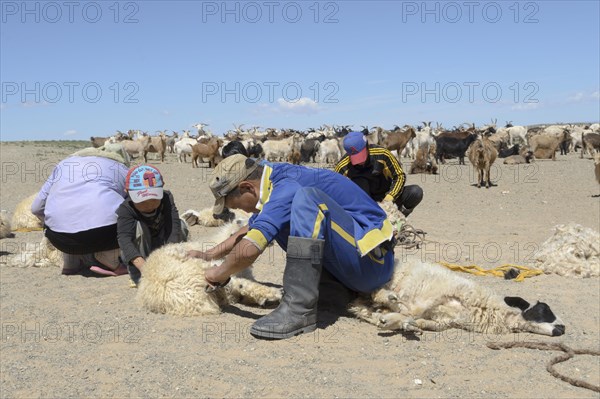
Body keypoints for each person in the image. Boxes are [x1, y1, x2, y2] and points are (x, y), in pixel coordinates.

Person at [187, 154, 396, 340]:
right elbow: (251, 228)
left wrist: (218, 274)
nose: (242, 210)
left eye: (237, 205)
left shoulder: (288, 186)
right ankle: (334, 291)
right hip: (355, 263)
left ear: (246, 188)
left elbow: (251, 248)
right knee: (282, 218)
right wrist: (210, 254)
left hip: (373, 264)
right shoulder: (274, 181)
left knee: (307, 200)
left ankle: (299, 310)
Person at [31, 146, 130, 276]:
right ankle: (110, 258)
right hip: (105, 236)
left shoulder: (63, 165)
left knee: (65, 219)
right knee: (130, 214)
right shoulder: (121, 168)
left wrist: (52, 224)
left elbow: (36, 208)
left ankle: (70, 261)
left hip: (60, 240)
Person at [117, 165, 188, 287]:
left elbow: (173, 224)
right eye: (142, 201)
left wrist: (169, 253)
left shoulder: (166, 198)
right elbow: (124, 240)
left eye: (154, 199)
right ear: (128, 193)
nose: (149, 205)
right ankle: (137, 274)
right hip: (140, 250)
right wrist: (144, 268)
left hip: (161, 243)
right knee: (138, 228)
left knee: (181, 225)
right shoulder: (126, 209)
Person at [335, 131, 423, 217]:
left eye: (361, 156)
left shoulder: (382, 154)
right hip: (363, 204)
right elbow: (334, 189)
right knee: (361, 182)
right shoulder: (343, 165)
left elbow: (400, 176)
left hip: (386, 199)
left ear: (366, 146)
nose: (359, 162)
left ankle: (398, 218)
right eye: (355, 158)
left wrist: (390, 197)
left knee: (415, 192)